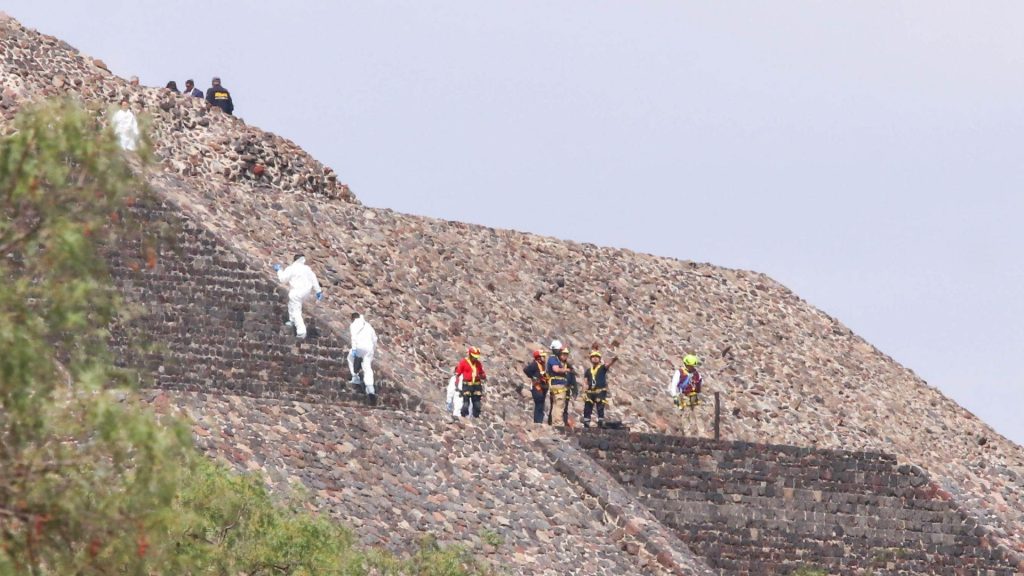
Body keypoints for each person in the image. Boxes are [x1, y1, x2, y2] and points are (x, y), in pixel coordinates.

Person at [272, 255, 322, 339]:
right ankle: (291, 320)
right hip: (306, 292)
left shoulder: (292, 268)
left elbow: (283, 279)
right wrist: (318, 291)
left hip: (297, 292)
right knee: (292, 304)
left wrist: (279, 270)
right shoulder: (307, 269)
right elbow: (314, 279)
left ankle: (301, 331)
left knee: (296, 310)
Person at [582, 350, 618, 428]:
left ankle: (600, 422)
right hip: (590, 391)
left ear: (599, 359)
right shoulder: (588, 371)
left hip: (600, 391)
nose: (595, 359)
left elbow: (608, 364)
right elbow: (585, 382)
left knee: (600, 406)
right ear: (591, 359)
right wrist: (584, 392)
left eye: (597, 357)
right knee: (587, 406)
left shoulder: (602, 368)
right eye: (593, 357)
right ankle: (586, 422)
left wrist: (613, 360)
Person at [348, 312, 378, 403]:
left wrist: (353, 349)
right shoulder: (368, 325)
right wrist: (373, 349)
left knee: (350, 358)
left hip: (360, 347)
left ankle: (355, 377)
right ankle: (370, 389)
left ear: (352, 318)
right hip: (369, 348)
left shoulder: (353, 324)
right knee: (367, 368)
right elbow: (375, 339)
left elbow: (353, 337)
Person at [454, 347, 486, 418]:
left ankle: (475, 419)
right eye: (474, 357)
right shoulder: (463, 362)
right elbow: (458, 374)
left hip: (477, 386)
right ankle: (462, 417)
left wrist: (482, 376)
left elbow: (482, 373)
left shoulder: (478, 364)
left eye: (477, 357)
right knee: (465, 405)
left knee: (477, 406)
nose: (475, 359)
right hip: (467, 385)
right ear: (470, 355)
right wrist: (456, 385)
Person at [546, 346, 574, 426]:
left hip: (555, 385)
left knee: (555, 404)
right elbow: (556, 369)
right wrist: (566, 370)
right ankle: (558, 423)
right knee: (559, 404)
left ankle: (554, 422)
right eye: (563, 354)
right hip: (558, 384)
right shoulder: (555, 360)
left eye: (566, 354)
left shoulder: (562, 362)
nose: (565, 356)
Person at [523, 349, 549, 424]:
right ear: (538, 357)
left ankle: (539, 421)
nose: (544, 358)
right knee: (539, 403)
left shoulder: (542, 365)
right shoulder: (535, 364)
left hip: (543, 387)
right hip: (537, 386)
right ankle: (537, 421)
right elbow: (526, 370)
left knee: (541, 405)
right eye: (542, 356)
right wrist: (533, 377)